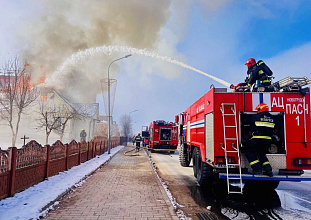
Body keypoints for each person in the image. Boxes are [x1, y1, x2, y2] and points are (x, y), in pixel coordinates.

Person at [242, 103, 275, 177]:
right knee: (261, 154)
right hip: (267, 141)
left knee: (249, 151)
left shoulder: (256, 117)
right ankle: (269, 171)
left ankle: (257, 170)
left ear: (260, 109)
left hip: (257, 139)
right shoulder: (272, 118)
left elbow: (246, 122)